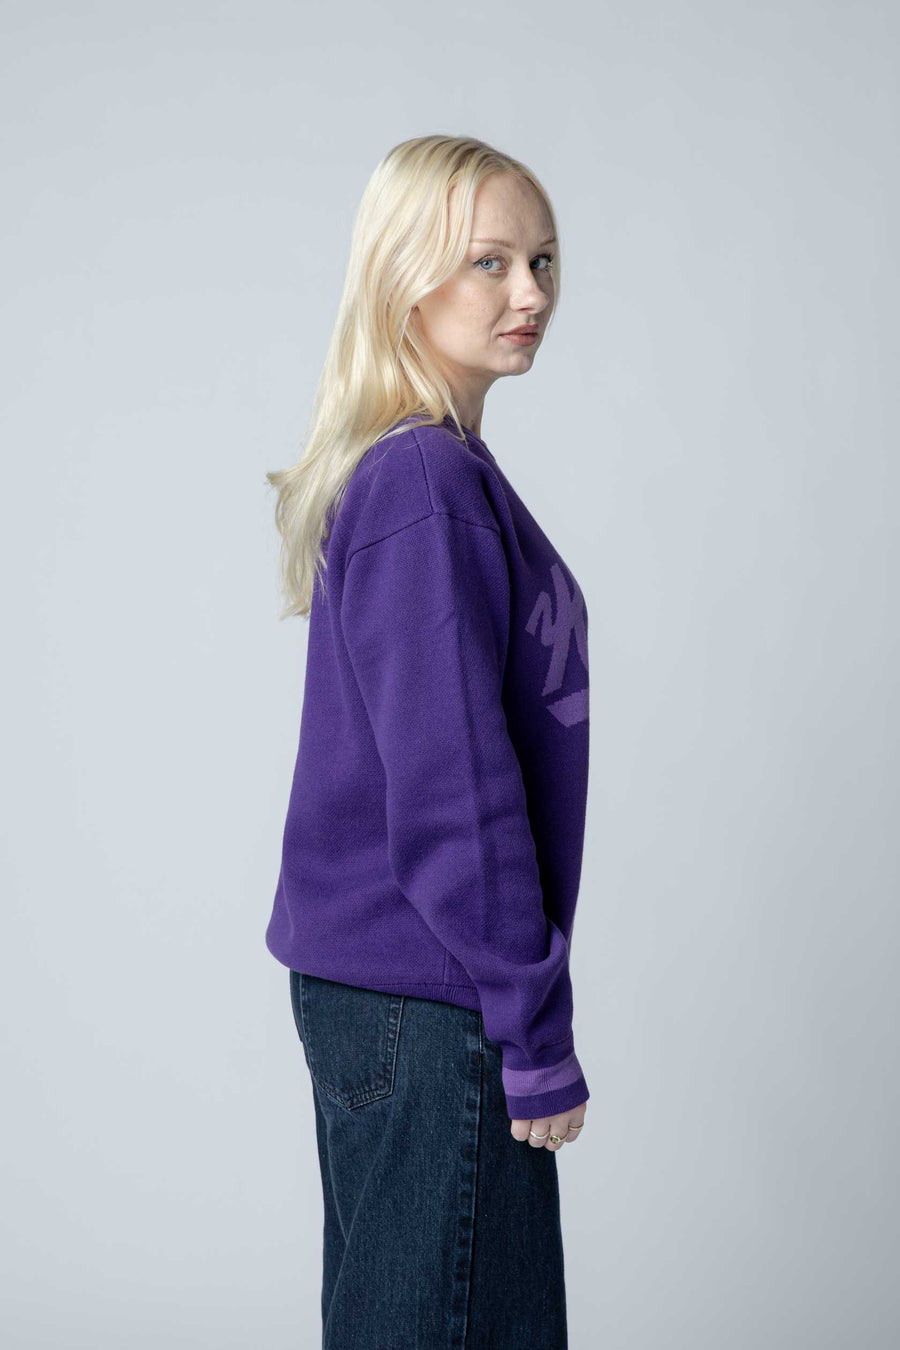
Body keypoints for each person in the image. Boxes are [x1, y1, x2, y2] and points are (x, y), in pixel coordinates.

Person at [264, 134, 591, 1349]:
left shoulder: (434, 471)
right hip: (434, 994)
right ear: (406, 277)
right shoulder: (424, 483)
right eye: (489, 262)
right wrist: (533, 1027)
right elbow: (456, 789)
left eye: (543, 260)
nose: (530, 291)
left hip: (404, 991)